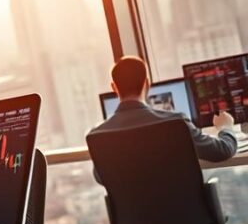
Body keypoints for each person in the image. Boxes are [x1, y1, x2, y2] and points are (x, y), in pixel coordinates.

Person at [88, 56, 237, 164]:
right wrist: (226, 128)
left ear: (114, 88)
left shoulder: (98, 135)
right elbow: (222, 151)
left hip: (134, 208)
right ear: (147, 84)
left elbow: (101, 177)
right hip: (182, 206)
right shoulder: (176, 123)